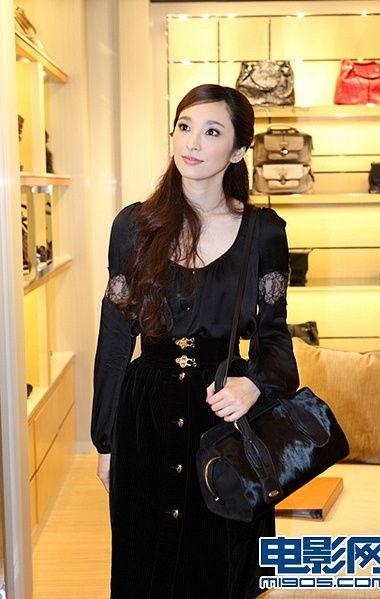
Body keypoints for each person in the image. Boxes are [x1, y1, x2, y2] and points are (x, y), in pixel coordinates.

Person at [91, 83, 299, 599]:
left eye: (211, 132)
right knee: (146, 567)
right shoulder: (134, 226)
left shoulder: (263, 232)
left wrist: (255, 384)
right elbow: (115, 340)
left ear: (239, 149)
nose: (192, 142)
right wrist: (106, 442)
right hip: (145, 417)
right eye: (184, 127)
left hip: (223, 420)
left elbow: (275, 336)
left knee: (222, 567)